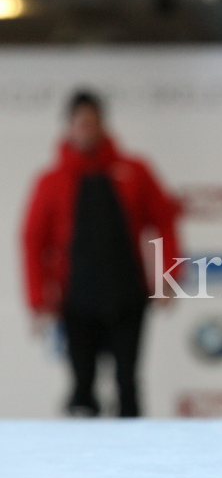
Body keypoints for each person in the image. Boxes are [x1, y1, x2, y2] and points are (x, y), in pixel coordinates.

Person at [21, 91, 182, 417]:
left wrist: (167, 277)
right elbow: (32, 242)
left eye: (92, 122)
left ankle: (135, 458)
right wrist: (39, 300)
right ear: (68, 126)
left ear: (101, 125)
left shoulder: (134, 170)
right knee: (82, 385)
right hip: (76, 300)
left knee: (127, 382)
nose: (86, 129)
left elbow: (164, 221)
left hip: (127, 295)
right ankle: (83, 461)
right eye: (80, 122)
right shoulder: (51, 182)